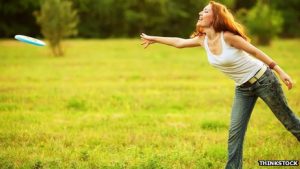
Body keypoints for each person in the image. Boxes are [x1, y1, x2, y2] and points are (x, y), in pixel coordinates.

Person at [140, 1, 300, 169]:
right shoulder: (203, 40)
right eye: (201, 11)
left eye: (206, 11)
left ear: (215, 17)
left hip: (264, 80)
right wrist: (154, 39)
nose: (201, 13)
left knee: (289, 122)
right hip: (243, 88)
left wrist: (280, 71)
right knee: (235, 133)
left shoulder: (228, 37)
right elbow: (179, 43)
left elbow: (255, 52)